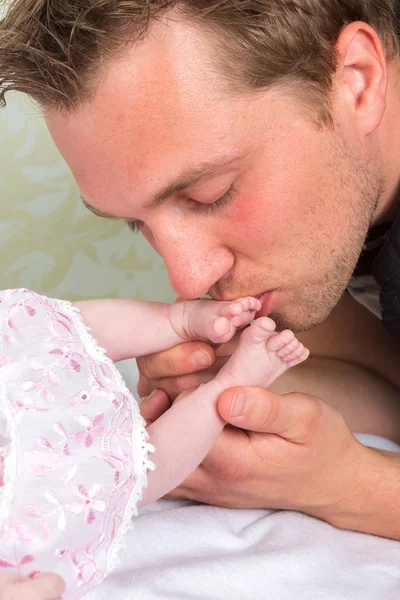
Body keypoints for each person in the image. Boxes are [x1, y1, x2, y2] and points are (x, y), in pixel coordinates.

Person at [0, 0, 400, 540]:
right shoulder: (337, 215)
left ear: (357, 80)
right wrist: (244, 395)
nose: (186, 280)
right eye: (135, 224)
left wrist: (348, 486)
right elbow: (386, 380)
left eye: (211, 194)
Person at [0, 288, 307, 599]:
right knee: (135, 469)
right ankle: (231, 383)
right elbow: (48, 586)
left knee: (50, 329)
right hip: (23, 504)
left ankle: (180, 321)